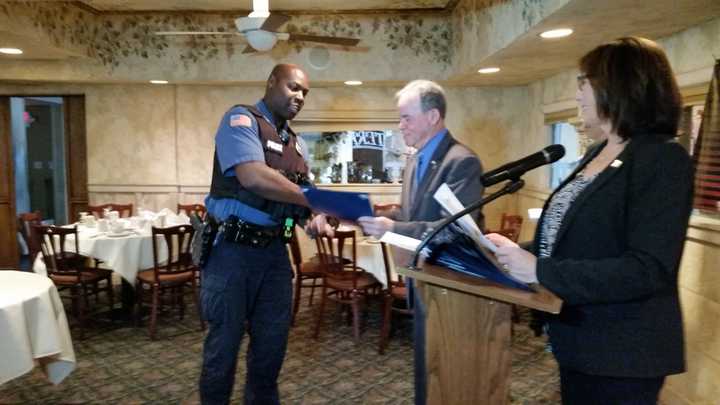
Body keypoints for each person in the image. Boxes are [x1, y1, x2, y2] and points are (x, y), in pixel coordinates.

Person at [488, 37, 694, 405]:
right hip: (578, 340)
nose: (578, 94)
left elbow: (647, 268)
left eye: (584, 82)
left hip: (623, 352)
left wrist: (540, 270)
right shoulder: (599, 152)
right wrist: (509, 252)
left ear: (621, 85)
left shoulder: (662, 159)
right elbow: (572, 239)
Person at [198, 63, 333, 405]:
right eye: (293, 87)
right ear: (271, 82)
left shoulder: (295, 145)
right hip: (231, 255)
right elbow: (254, 177)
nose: (299, 96)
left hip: (274, 258)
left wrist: (315, 218)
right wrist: (312, 199)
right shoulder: (240, 121)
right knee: (222, 353)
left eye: (304, 92)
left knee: (270, 353)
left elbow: (301, 197)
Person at [358, 79, 484, 405]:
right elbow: (410, 211)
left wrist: (393, 227)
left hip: (450, 284)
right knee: (426, 367)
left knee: (450, 373)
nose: (400, 126)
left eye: (406, 118)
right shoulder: (414, 159)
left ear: (432, 117)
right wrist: (380, 215)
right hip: (420, 278)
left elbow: (452, 230)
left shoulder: (462, 161)